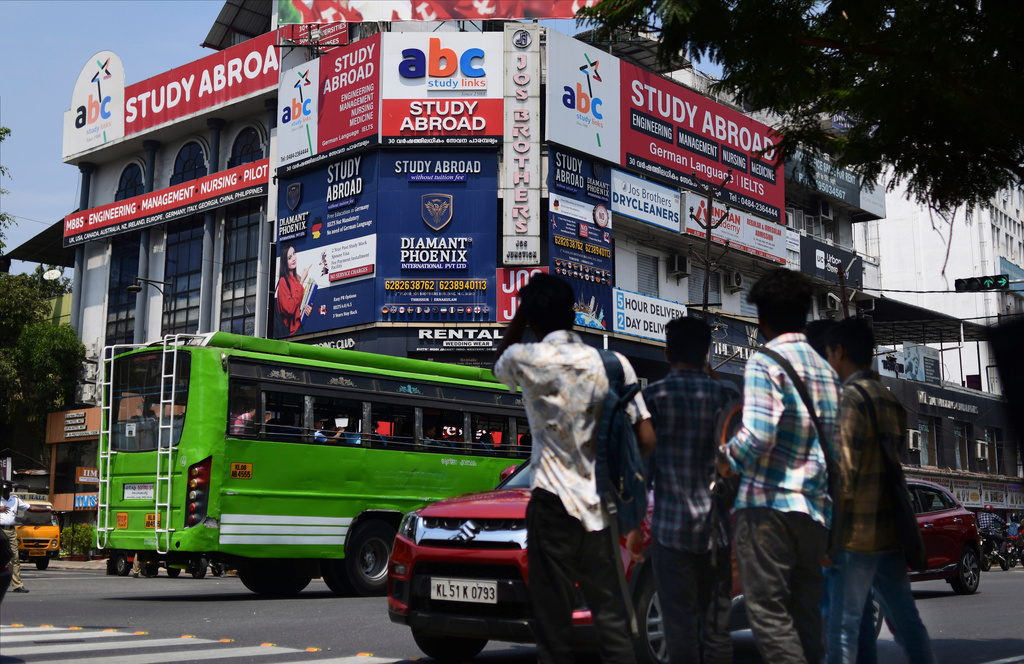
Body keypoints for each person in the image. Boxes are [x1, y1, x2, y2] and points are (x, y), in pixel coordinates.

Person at [494, 273, 656, 664]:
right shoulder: (613, 364)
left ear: (532, 318)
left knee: (554, 630)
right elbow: (647, 438)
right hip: (599, 507)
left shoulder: (525, 359)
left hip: (551, 507)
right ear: (573, 314)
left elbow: (500, 360)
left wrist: (521, 317)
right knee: (613, 623)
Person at [719, 268, 840, 664]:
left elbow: (758, 435)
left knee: (769, 615)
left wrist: (726, 460)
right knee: (807, 616)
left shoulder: (764, 362)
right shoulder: (827, 371)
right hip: (815, 514)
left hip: (767, 511)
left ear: (762, 319)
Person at [823, 318, 937, 664]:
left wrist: (831, 536)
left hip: (857, 535)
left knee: (842, 630)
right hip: (889, 533)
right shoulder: (889, 401)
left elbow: (844, 472)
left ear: (840, 352)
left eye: (829, 354)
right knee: (906, 621)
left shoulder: (850, 399)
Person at [636, 316, 733, 664]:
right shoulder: (726, 395)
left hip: (669, 533)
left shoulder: (653, 397)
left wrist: (634, 525)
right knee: (716, 630)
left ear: (666, 352)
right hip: (716, 531)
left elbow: (642, 471)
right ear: (708, 352)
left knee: (680, 629)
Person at [1, 480, 52, 593]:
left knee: (14, 558)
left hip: (10, 531)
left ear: (10, 489)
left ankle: (17, 585)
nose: (5, 491)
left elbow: (31, 508)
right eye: (3, 489)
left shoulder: (15, 500)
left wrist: (48, 510)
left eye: (7, 489)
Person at [276, 242, 312, 336]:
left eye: (294, 254)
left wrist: (308, 307)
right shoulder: (283, 281)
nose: (293, 258)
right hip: (292, 333)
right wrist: (302, 281)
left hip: (301, 327)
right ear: (284, 261)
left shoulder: (297, 279)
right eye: (289, 258)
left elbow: (300, 304)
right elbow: (290, 309)